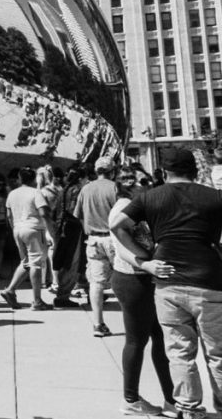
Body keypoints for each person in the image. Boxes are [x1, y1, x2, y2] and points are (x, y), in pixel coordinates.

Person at [112, 147, 222, 419]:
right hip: (209, 280)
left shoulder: (151, 197)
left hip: (168, 281)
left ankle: (188, 407)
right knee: (217, 351)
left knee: (179, 351)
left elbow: (118, 226)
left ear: (163, 172)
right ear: (195, 171)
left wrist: (144, 258)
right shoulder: (215, 197)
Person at [108, 167, 176, 417]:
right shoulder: (122, 209)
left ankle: (171, 399)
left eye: (145, 180)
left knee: (160, 338)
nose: (145, 185)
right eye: (139, 181)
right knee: (137, 340)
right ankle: (131, 399)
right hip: (132, 279)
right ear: (125, 184)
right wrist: (145, 263)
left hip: (145, 278)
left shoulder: (137, 206)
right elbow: (121, 248)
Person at [74, 155, 119, 337]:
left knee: (96, 282)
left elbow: (78, 214)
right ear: (112, 171)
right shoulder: (115, 188)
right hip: (114, 237)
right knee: (124, 277)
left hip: (93, 239)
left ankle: (98, 323)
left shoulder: (86, 189)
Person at [0, 167, 54, 311]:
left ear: (19, 178)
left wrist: (14, 229)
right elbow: (44, 213)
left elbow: (9, 215)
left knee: (26, 262)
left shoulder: (12, 194)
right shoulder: (35, 193)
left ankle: (10, 290)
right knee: (36, 264)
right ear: (33, 179)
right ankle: (37, 301)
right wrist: (51, 231)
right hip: (34, 229)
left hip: (18, 228)